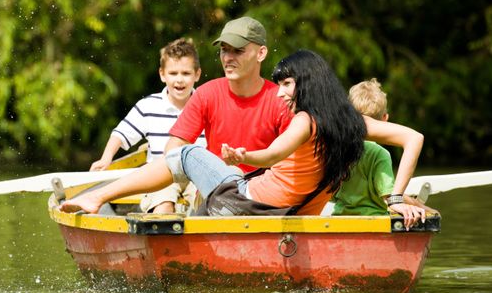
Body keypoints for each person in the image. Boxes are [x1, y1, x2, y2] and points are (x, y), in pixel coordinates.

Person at [60, 49, 370, 217]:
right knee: (213, 170)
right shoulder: (351, 124)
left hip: (247, 205)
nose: (279, 93)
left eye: (287, 84)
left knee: (186, 154)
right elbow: (413, 138)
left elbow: (275, 154)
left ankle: (97, 196)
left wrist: (246, 155)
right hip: (287, 213)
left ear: (310, 83)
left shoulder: (303, 120)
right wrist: (397, 199)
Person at [89, 37, 206, 213]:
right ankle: (162, 233)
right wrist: (106, 158)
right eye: (173, 73)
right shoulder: (148, 106)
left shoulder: (206, 104)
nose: (179, 80)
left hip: (196, 176)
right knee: (163, 206)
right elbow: (121, 134)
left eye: (186, 73)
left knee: (207, 206)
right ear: (162, 74)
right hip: (159, 176)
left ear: (197, 74)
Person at [329, 78, 436, 220]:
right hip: (374, 221)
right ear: (385, 118)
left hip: (339, 219)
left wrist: (415, 203)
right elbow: (388, 197)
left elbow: (332, 195)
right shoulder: (379, 154)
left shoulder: (339, 150)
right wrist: (425, 209)